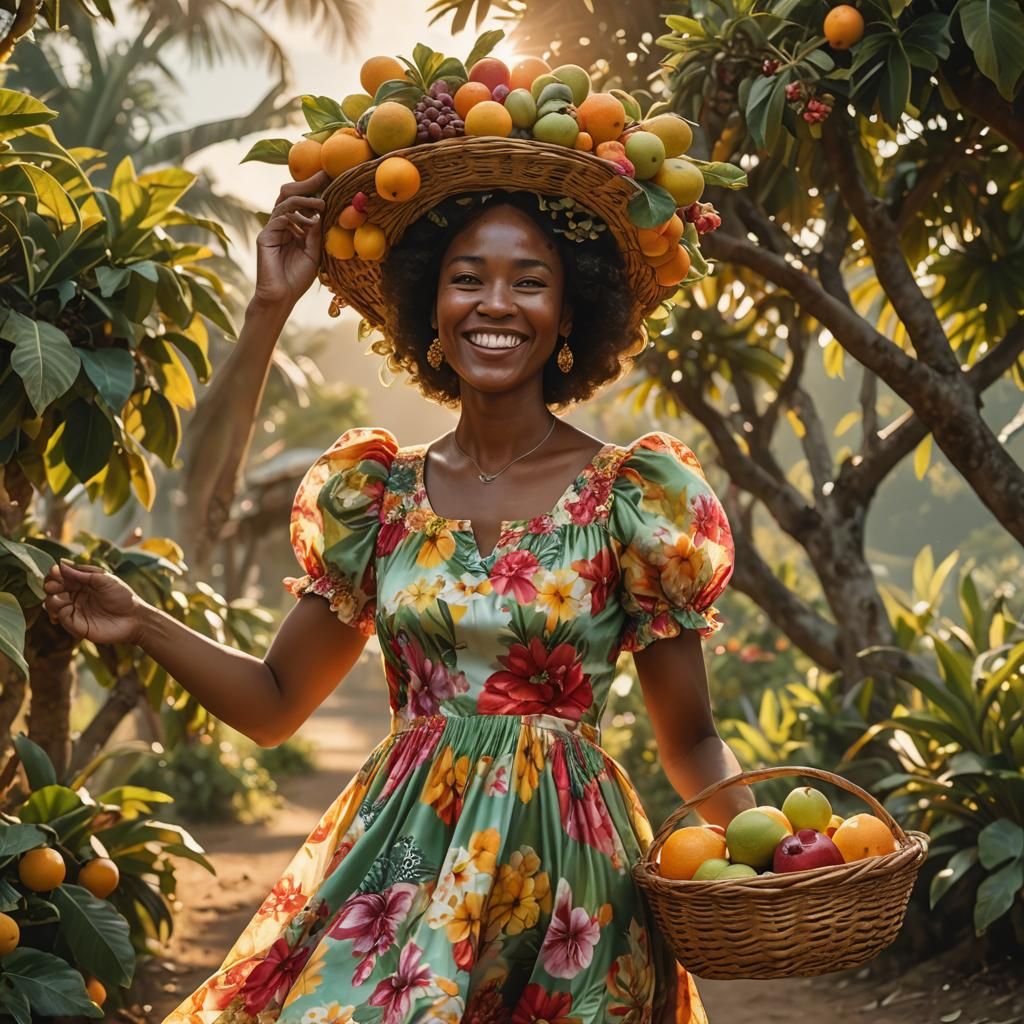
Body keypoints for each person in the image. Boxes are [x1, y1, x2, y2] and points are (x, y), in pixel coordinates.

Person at [43, 147, 755, 1023]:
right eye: (467, 279)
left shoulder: (633, 497)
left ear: (572, 312)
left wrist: (766, 850)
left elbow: (690, 738)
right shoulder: (377, 495)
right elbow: (273, 701)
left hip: (572, 880)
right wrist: (145, 621)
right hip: (406, 858)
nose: (496, 304)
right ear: (431, 307)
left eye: (529, 282)